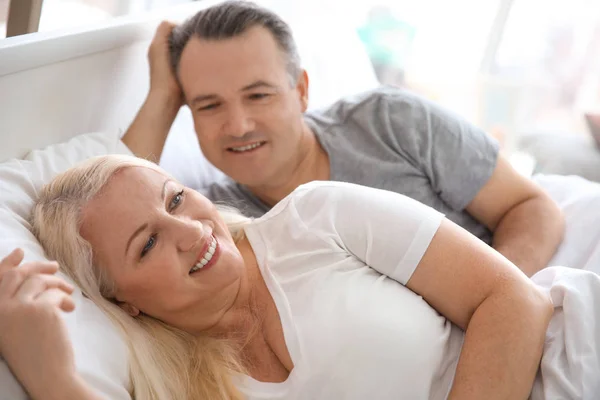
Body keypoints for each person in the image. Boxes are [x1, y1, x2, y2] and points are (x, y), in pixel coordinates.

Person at [0, 154, 558, 399]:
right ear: (122, 304)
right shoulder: (180, 386)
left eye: (177, 199)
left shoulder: (317, 217)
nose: (192, 233)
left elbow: (512, 298)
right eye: (147, 244)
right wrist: (55, 381)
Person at [122, 0, 564, 278]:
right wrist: (162, 96)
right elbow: (110, 203)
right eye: (209, 105)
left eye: (258, 95)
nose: (238, 125)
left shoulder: (389, 120)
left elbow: (529, 207)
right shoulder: (218, 222)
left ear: (301, 91)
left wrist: (498, 299)